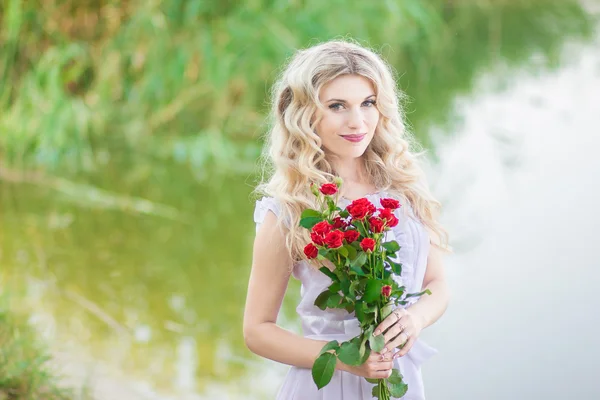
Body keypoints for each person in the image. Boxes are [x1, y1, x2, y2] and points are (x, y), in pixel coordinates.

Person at [243, 39, 451, 400]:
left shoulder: (404, 185)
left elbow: (437, 284)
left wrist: (414, 319)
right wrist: (345, 360)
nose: (358, 121)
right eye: (337, 106)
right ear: (305, 114)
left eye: (367, 103)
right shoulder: (290, 208)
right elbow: (257, 330)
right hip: (328, 386)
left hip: (401, 380)